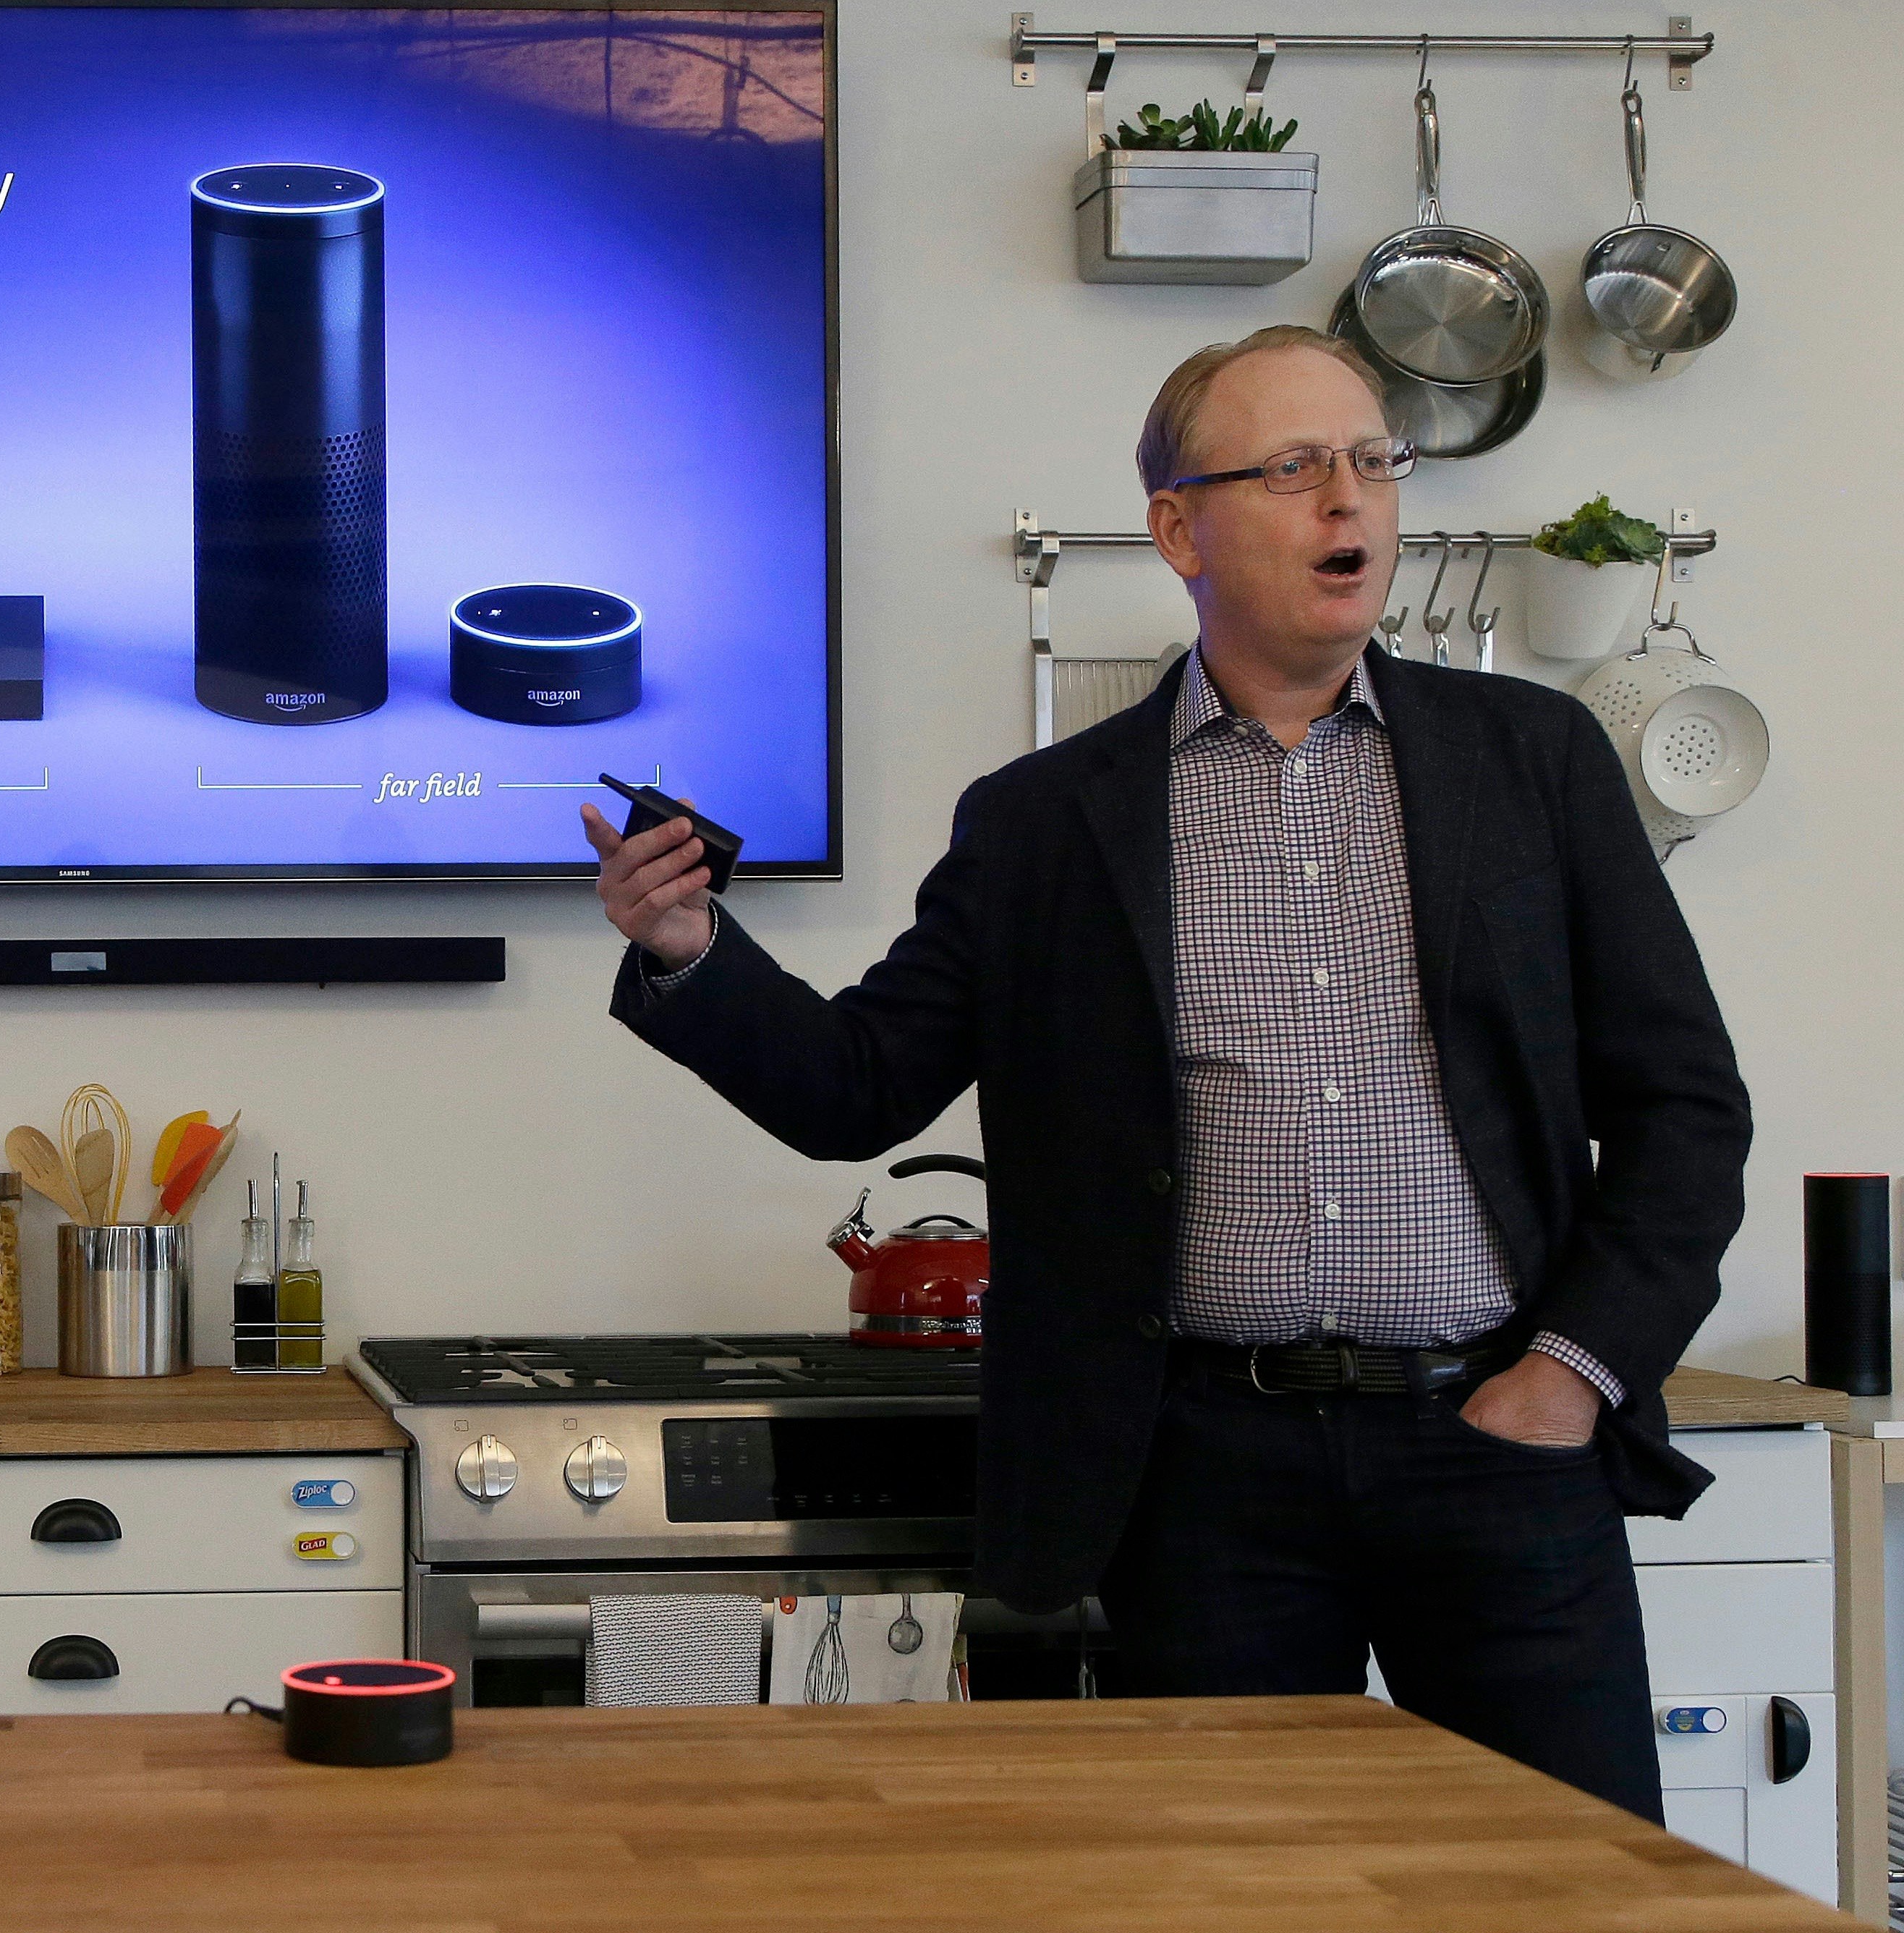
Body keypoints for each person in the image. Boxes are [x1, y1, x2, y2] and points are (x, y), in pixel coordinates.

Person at [583, 324, 1748, 1820]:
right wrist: (690, 948)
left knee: (1573, 1897)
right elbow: (854, 1087)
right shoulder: (1045, 820)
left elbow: (1686, 1107)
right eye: (1297, 467)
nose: (1352, 500)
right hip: (1202, 1477)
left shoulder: (1536, 760)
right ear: (1179, 528)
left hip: (1498, 1448)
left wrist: (1572, 1375)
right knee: (1225, 1898)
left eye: (1373, 463)